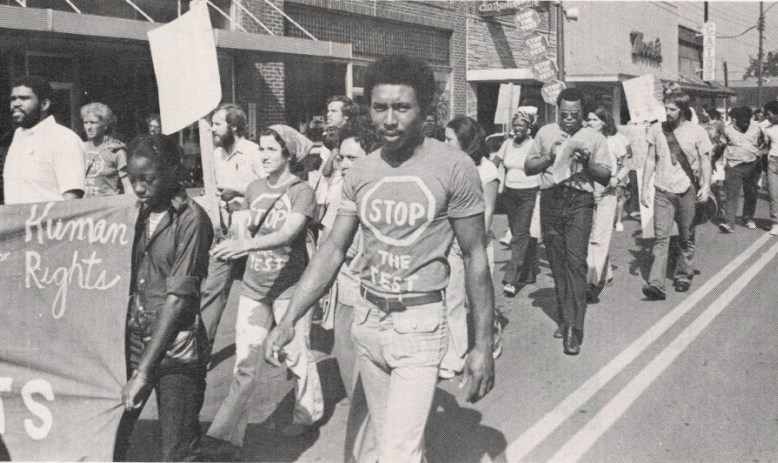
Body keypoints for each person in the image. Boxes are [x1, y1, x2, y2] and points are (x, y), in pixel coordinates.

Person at [263, 55, 495, 463]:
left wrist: (482, 345)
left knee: (396, 454)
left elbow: (476, 256)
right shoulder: (361, 172)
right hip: (368, 324)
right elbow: (332, 250)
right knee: (386, 445)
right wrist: (288, 320)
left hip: (418, 328)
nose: (390, 119)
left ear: (425, 110)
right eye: (380, 107)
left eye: (402, 107)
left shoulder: (454, 167)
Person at [203, 125, 323, 458]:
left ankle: (307, 414)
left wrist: (245, 244)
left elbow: (288, 233)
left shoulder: (302, 192)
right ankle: (227, 435)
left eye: (272, 149)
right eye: (262, 149)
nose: (264, 156)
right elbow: (244, 229)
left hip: (291, 290)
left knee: (296, 353)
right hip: (255, 289)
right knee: (245, 362)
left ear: (288, 155)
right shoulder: (254, 189)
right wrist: (228, 233)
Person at [114, 134, 213, 462]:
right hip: (133, 340)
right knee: (110, 433)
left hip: (175, 349)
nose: (139, 188)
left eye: (148, 179)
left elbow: (178, 299)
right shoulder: (134, 214)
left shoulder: (191, 220)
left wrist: (142, 372)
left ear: (173, 172)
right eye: (132, 180)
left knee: (178, 450)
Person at [524, 87, 612, 356]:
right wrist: (549, 157)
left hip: (580, 202)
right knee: (558, 262)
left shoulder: (594, 138)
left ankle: (574, 328)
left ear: (582, 113)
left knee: (575, 262)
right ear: (557, 110)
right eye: (564, 114)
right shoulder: (545, 133)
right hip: (551, 199)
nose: (569, 119)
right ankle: (565, 315)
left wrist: (587, 165)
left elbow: (605, 176)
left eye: (574, 114)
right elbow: (528, 167)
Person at [327, 117, 380, 463]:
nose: (345, 164)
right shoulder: (339, 190)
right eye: (342, 157)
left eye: (353, 158)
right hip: (345, 296)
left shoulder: (377, 195)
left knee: (371, 391)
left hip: (372, 303)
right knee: (354, 383)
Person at [199, 103, 266, 351]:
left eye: (217, 124)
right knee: (213, 289)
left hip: (252, 230)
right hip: (224, 230)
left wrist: (237, 191)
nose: (212, 130)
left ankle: (276, 343)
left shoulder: (254, 152)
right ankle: (202, 351)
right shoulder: (215, 154)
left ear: (234, 126)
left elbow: (267, 187)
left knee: (261, 288)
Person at [440, 115, 500, 375]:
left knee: (478, 299)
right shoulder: (448, 166)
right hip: (451, 241)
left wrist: (471, 242)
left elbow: (486, 213)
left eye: (449, 139)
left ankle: (491, 336)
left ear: (464, 141)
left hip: (477, 244)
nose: (444, 143)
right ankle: (457, 352)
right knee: (452, 298)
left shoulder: (487, 170)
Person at [641, 89, 713, 300]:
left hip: (687, 190)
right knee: (661, 238)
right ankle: (656, 284)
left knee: (686, 236)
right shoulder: (656, 129)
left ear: (682, 110)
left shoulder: (697, 131)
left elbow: (705, 159)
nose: (668, 112)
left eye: (672, 109)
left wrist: (706, 185)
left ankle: (683, 275)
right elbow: (650, 160)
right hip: (662, 190)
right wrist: (645, 187)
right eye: (666, 108)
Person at [3, 75, 85, 204]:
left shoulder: (64, 139)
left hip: (50, 223)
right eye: (13, 99)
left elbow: (72, 200)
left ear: (44, 104)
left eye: (24, 98)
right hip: (17, 223)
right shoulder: (18, 137)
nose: (16, 104)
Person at [585, 106, 632, 299]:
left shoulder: (616, 140)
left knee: (598, 238)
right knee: (589, 236)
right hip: (587, 190)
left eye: (594, 120)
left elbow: (627, 162)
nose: (590, 123)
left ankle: (591, 282)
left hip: (607, 192)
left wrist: (616, 179)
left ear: (604, 122)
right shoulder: (585, 139)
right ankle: (606, 272)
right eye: (588, 119)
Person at [495, 110, 540, 298]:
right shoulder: (507, 144)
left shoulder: (534, 145)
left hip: (529, 192)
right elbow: (496, 161)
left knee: (519, 235)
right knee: (518, 233)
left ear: (529, 127)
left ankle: (511, 280)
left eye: (521, 125)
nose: (517, 129)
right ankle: (528, 272)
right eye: (515, 125)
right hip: (510, 193)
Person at [718, 106, 764, 233]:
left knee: (751, 193)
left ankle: (748, 218)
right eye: (742, 121)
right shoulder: (727, 130)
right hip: (734, 166)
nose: (745, 123)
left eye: (747, 121)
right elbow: (720, 147)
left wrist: (761, 154)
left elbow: (764, 142)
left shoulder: (757, 128)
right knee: (731, 195)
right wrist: (711, 162)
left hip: (753, 165)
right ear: (734, 120)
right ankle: (728, 223)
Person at [81, 102, 133, 197]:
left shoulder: (116, 150)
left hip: (107, 207)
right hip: (84, 207)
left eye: (93, 123)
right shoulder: (80, 148)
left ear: (105, 125)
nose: (88, 127)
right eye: (86, 122)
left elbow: (127, 185)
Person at [762, 101, 778, 235]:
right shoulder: (768, 129)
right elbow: (765, 147)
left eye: (769, 115)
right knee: (773, 194)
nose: (767, 117)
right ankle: (775, 222)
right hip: (773, 162)